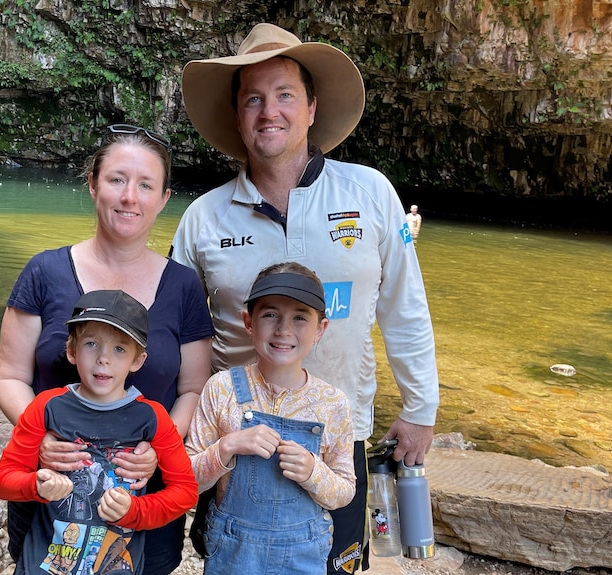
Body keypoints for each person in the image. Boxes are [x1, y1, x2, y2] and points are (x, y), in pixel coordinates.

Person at [170, 23, 439, 574]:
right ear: (238, 117)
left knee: (334, 565)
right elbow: (177, 332)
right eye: (253, 99)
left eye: (285, 95)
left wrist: (420, 408)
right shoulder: (203, 218)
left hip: (342, 433)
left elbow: (404, 306)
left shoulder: (369, 194)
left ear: (312, 108)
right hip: (235, 439)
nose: (270, 111)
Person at [0, 124, 214, 574]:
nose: (130, 197)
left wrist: (159, 446)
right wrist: (41, 438)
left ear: (164, 198)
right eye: (117, 179)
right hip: (50, 493)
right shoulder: (45, 271)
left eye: (145, 185)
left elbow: (194, 388)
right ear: (93, 184)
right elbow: (9, 376)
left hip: (140, 498)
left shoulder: (185, 286)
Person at [0, 289, 199, 575]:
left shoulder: (153, 418)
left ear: (137, 360)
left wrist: (135, 512)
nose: (104, 358)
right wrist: (36, 486)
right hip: (44, 564)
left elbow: (185, 492)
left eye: (120, 349)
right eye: (91, 344)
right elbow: (3, 480)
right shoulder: (46, 406)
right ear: (72, 351)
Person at [185, 262, 356, 575]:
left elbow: (344, 492)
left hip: (303, 553)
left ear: (321, 329)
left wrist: (313, 472)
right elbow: (187, 480)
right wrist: (226, 447)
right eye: (270, 314)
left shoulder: (333, 404)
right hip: (232, 548)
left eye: (300, 317)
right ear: (249, 322)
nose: (283, 330)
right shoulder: (221, 389)